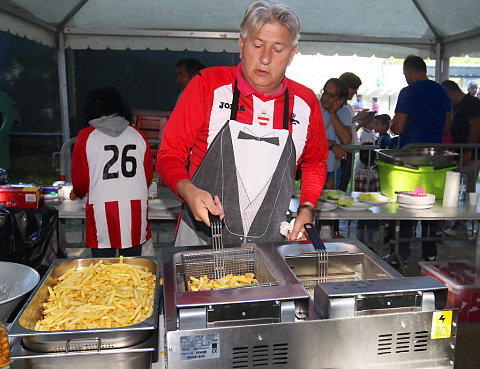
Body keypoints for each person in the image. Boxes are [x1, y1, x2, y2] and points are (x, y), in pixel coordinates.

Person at [157, 0, 328, 246]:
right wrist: (188, 190)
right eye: (257, 45)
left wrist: (307, 208)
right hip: (200, 239)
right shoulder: (207, 85)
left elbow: (315, 163)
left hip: (271, 245)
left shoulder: (306, 102)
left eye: (278, 49)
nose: (265, 58)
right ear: (241, 44)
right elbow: (169, 154)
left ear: (292, 54)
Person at [70, 87, 153, 257]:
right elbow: (147, 176)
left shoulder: (86, 136)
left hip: (101, 207)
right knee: (133, 266)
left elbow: (81, 181)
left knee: (103, 267)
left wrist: (77, 192)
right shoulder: (137, 134)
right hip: (135, 207)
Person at [389, 55, 451, 264]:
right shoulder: (442, 92)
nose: (405, 77)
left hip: (410, 156)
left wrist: (391, 125)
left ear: (410, 71)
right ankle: (430, 251)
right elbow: (446, 127)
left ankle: (402, 254)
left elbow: (398, 127)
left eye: (405, 73)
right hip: (436, 156)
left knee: (407, 204)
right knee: (431, 206)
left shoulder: (408, 92)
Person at [441, 80, 480, 236]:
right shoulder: (458, 106)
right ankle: (458, 223)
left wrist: (468, 150)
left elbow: (476, 127)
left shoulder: (471, 103)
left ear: (451, 93)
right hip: (458, 154)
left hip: (469, 156)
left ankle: (461, 224)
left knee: (464, 190)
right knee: (457, 190)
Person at [320, 78, 351, 190]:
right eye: (325, 93)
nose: (325, 98)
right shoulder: (314, 107)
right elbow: (309, 137)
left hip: (333, 167)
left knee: (332, 202)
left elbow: (346, 139)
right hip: (313, 166)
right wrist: (332, 145)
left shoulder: (345, 112)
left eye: (331, 95)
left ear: (341, 100)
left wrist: (332, 113)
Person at [354, 142, 380, 243]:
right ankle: (370, 245)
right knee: (371, 225)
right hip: (372, 206)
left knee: (361, 224)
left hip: (360, 205)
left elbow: (357, 190)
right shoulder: (376, 174)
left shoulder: (358, 173)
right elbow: (378, 191)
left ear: (360, 159)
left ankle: (360, 243)